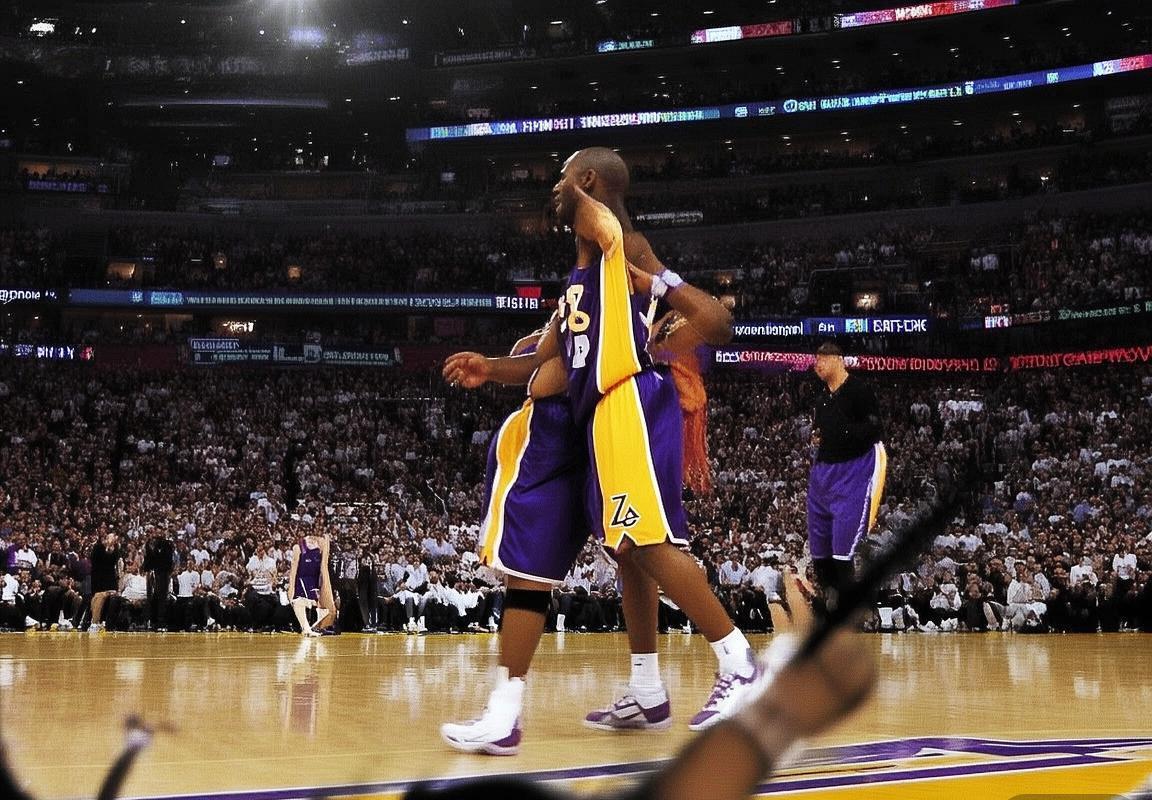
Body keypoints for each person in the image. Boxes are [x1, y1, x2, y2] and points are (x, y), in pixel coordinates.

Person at [444, 150, 758, 740]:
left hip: (629, 401)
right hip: (598, 414)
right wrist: (489, 367)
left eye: (563, 176)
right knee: (628, 551)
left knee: (645, 541)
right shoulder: (579, 282)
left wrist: (588, 206)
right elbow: (546, 361)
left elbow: (715, 322)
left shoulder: (625, 246)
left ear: (587, 181)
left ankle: (738, 662)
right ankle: (646, 689)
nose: (554, 187)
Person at [408, 576, 878, 800]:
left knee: (634, 546)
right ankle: (708, 670)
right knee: (633, 549)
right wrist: (783, 714)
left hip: (615, 415)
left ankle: (710, 668)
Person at [808, 342, 886, 610]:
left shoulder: (859, 390)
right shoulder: (821, 398)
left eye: (822, 359)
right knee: (820, 550)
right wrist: (819, 439)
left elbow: (875, 427)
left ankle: (849, 606)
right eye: (816, 360)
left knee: (843, 549)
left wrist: (845, 435)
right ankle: (830, 598)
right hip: (825, 470)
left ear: (839, 360)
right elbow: (821, 430)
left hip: (854, 469)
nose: (817, 365)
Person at [286, 531, 331, 637]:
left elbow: (324, 566)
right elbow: (293, 569)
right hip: (302, 579)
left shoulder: (321, 547)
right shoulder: (298, 547)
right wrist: (291, 586)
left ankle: (308, 628)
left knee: (320, 606)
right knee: (299, 601)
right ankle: (306, 628)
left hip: (314, 579)